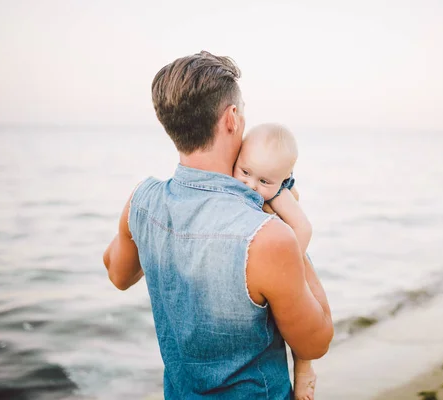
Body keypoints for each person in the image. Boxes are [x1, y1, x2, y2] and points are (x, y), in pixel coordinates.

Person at [103, 51, 333, 399]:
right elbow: (316, 341)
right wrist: (287, 227)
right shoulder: (266, 235)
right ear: (232, 119)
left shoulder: (141, 201)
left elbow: (118, 275)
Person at [233, 123, 317, 399]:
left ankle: (304, 370)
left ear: (285, 179)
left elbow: (303, 228)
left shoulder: (280, 194)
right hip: (273, 252)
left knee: (296, 317)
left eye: (264, 182)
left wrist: (289, 271)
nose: (251, 186)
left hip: (290, 255)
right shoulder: (245, 174)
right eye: (245, 172)